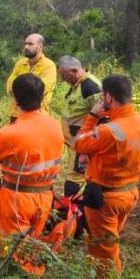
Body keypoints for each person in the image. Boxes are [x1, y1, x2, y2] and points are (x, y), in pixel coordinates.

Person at [74, 74, 140, 277]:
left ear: (108, 97)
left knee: (104, 250)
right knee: (110, 241)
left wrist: (92, 116)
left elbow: (79, 143)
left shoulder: (108, 130)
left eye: (102, 97)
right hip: (129, 193)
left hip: (104, 198)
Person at [0, 74, 63, 275]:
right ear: (41, 97)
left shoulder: (9, 133)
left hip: (16, 197)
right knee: (35, 243)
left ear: (15, 99)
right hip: (45, 196)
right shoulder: (55, 126)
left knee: (15, 248)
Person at [56, 56, 101, 198]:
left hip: (82, 144)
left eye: (64, 76)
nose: (63, 80)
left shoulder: (91, 87)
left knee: (74, 178)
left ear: (74, 70)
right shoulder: (77, 85)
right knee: (73, 175)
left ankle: (72, 211)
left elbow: (103, 117)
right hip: (73, 143)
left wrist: (88, 148)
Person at [6, 34, 57, 119]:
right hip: (16, 114)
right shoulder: (20, 64)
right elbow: (9, 86)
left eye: (30, 44)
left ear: (40, 47)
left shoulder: (49, 66)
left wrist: (19, 91)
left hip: (38, 116)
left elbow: (40, 89)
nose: (26, 47)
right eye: (25, 44)